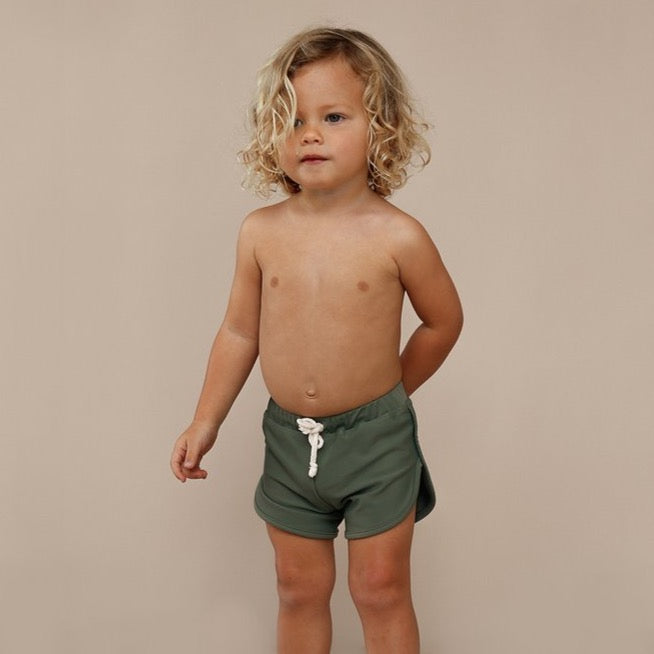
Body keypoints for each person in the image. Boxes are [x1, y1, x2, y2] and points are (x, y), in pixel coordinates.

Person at [170, 27, 463, 654]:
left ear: (379, 126)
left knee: (380, 589)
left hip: (376, 442)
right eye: (293, 119)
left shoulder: (398, 235)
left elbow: (444, 321)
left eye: (333, 117)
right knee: (297, 587)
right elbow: (239, 330)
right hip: (288, 440)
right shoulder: (260, 232)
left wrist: (390, 392)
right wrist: (204, 420)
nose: (309, 134)